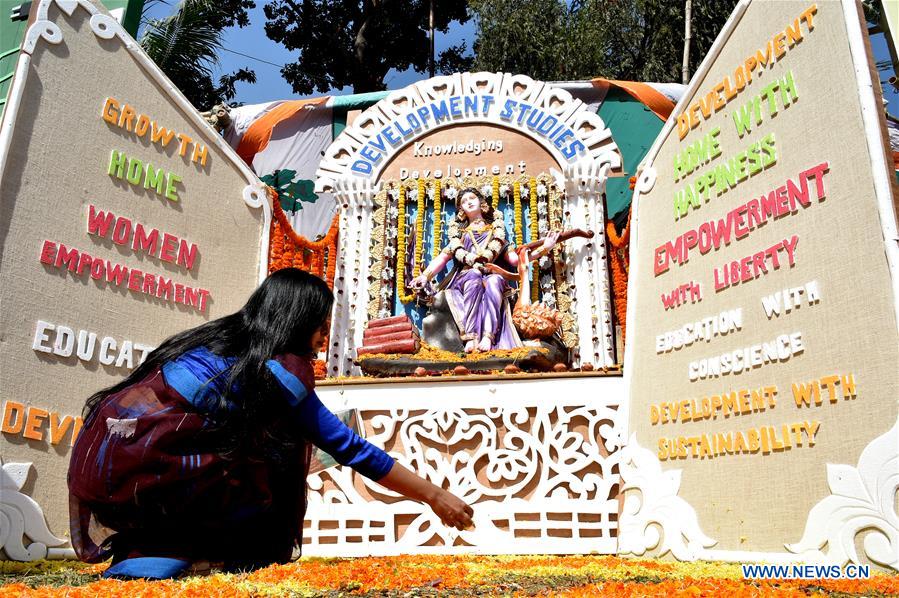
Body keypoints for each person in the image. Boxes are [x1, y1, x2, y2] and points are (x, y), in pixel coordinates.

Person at [67, 268, 473, 579]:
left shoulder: (216, 341)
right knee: (284, 444)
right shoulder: (280, 369)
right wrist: (434, 496)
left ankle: (150, 552)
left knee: (263, 433)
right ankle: (203, 549)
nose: (324, 335)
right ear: (298, 319)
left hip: (108, 462)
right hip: (157, 468)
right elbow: (348, 447)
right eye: (320, 324)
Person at [410, 187, 558, 352]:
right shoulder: (460, 236)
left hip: (490, 274)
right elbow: (443, 258)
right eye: (464, 201)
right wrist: (425, 276)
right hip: (466, 277)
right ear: (461, 210)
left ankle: (488, 336)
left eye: (472, 198)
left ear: (482, 203)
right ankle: (471, 337)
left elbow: (516, 260)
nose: (469, 202)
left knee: (495, 280)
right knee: (473, 274)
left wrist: (544, 249)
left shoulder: (497, 234)